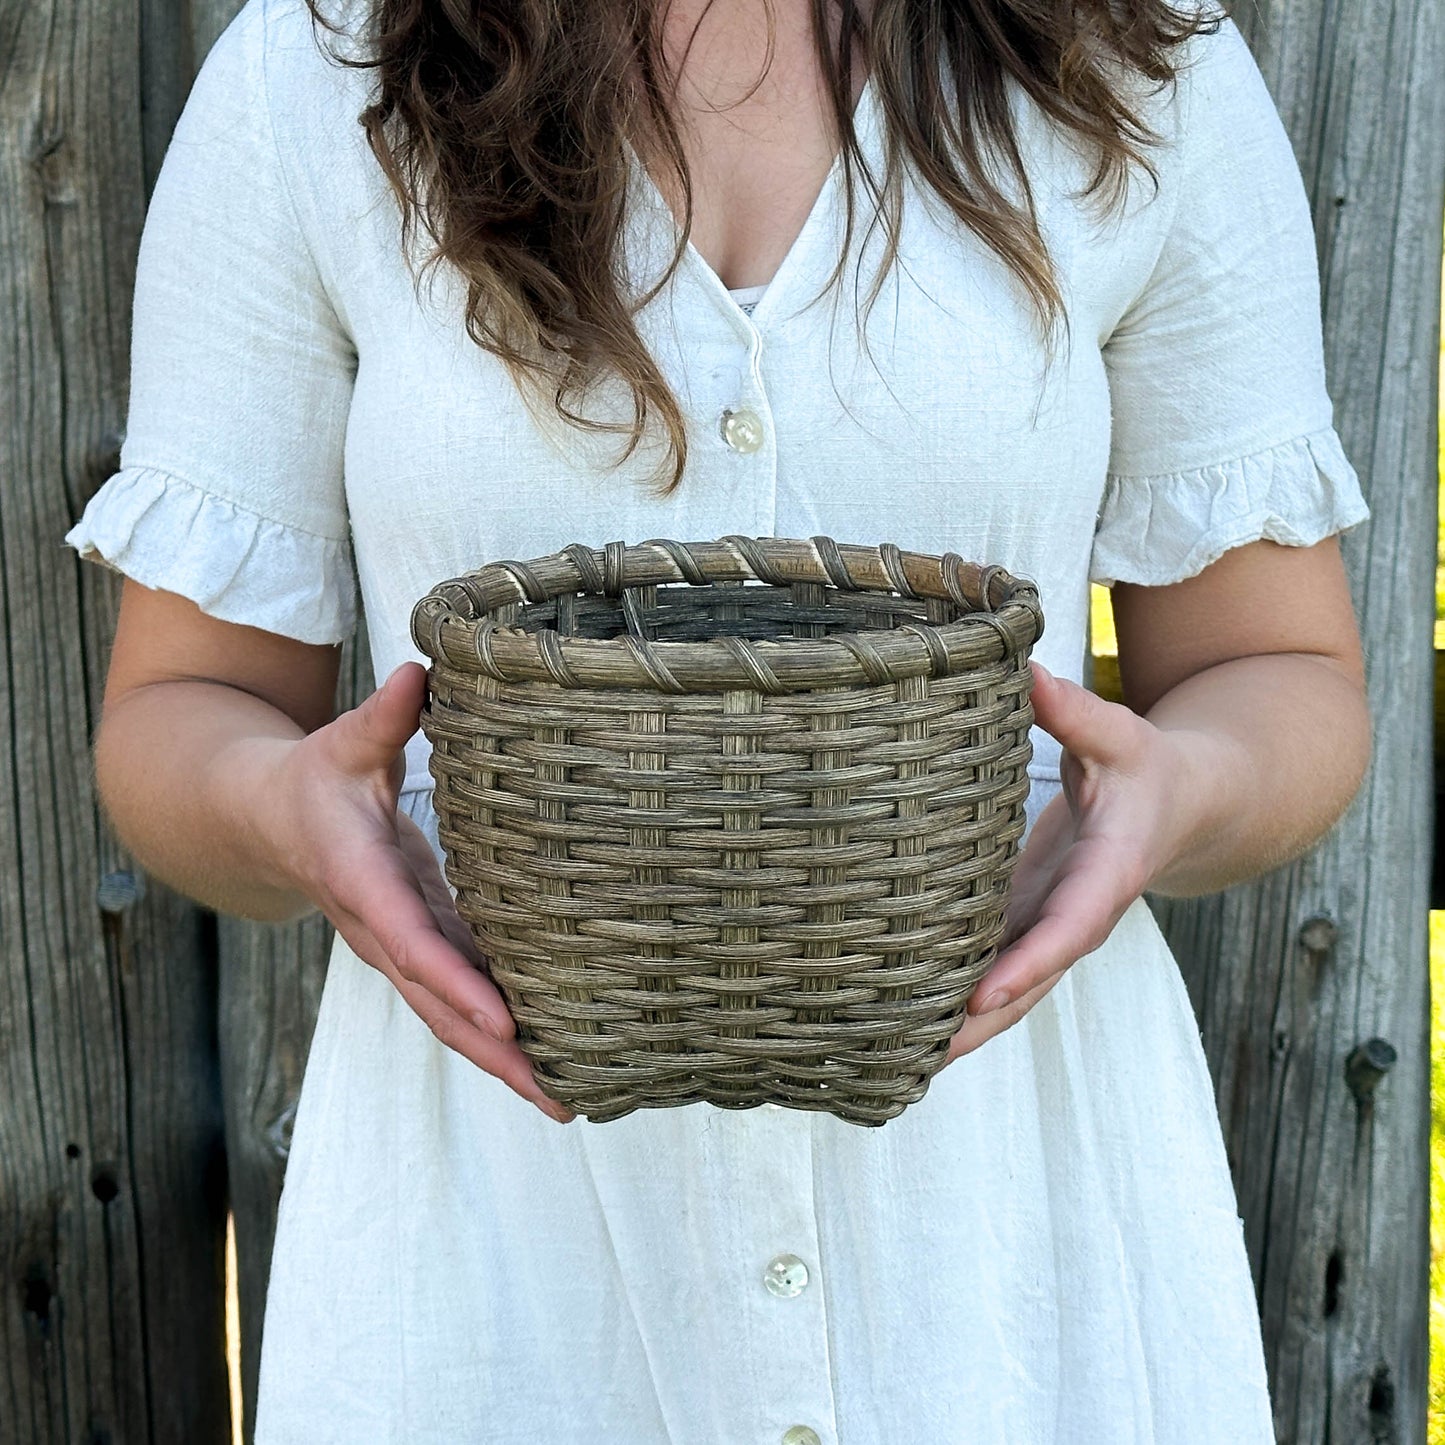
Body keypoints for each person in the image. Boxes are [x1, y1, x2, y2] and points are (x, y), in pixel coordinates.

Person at [64, 0, 1371, 1436]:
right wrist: (285, 813)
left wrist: (1175, 790)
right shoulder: (313, 74)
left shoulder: (1130, 60)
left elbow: (1279, 670)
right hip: (495, 1279)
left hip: (1002, 1260)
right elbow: (182, 709)